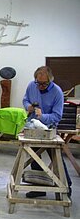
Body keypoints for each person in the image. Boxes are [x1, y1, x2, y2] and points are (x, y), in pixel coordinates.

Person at [22, 65, 72, 198]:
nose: (41, 86)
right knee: (34, 156)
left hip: (49, 129)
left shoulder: (57, 92)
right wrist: (29, 106)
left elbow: (57, 116)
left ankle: (66, 186)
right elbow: (25, 99)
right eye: (39, 83)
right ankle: (39, 188)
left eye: (44, 84)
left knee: (56, 158)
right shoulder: (32, 86)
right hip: (33, 128)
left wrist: (42, 116)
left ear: (51, 80)